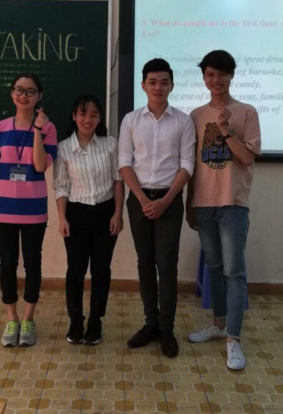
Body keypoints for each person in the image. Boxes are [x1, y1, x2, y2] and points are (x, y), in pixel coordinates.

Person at [186, 50, 261, 371]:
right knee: (214, 268)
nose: (215, 80)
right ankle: (218, 324)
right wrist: (189, 203)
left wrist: (226, 130)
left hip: (233, 205)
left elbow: (247, 158)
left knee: (234, 271)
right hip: (203, 204)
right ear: (204, 78)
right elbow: (191, 164)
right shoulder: (195, 115)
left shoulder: (246, 112)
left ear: (232, 75)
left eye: (221, 74)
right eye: (210, 74)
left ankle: (234, 338)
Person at [118, 58, 196, 358]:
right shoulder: (131, 120)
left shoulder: (183, 121)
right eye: (152, 82)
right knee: (145, 262)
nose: (158, 87)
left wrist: (165, 201)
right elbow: (124, 162)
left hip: (169, 200)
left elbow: (187, 164)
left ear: (172, 85)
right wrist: (142, 199)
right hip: (139, 200)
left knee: (167, 264)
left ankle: (166, 329)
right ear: (143, 85)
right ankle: (150, 323)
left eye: (164, 82)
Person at [0, 73, 57, 348]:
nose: (23, 95)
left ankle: (28, 318)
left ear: (39, 96)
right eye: (19, 89)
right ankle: (11, 318)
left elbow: (39, 166)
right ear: (12, 93)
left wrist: (37, 130)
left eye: (30, 91)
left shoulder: (48, 128)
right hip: (3, 208)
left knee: (32, 262)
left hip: (33, 208)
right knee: (7, 263)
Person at [54, 94, 124, 345]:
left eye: (94, 115)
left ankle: (95, 321)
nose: (88, 119)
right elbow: (61, 186)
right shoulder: (63, 148)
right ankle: (76, 321)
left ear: (100, 118)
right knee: (75, 270)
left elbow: (118, 180)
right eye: (83, 114)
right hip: (76, 214)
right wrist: (62, 218)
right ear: (74, 116)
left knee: (101, 270)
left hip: (105, 212)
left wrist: (118, 213)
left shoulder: (110, 144)